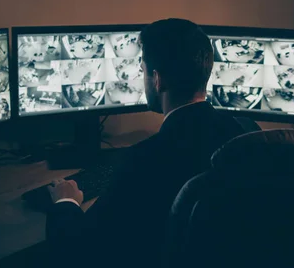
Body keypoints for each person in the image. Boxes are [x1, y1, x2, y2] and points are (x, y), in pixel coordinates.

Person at [45, 19, 253, 268]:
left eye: (142, 70)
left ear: (157, 79)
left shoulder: (144, 158)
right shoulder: (245, 132)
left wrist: (65, 202)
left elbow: (78, 251)